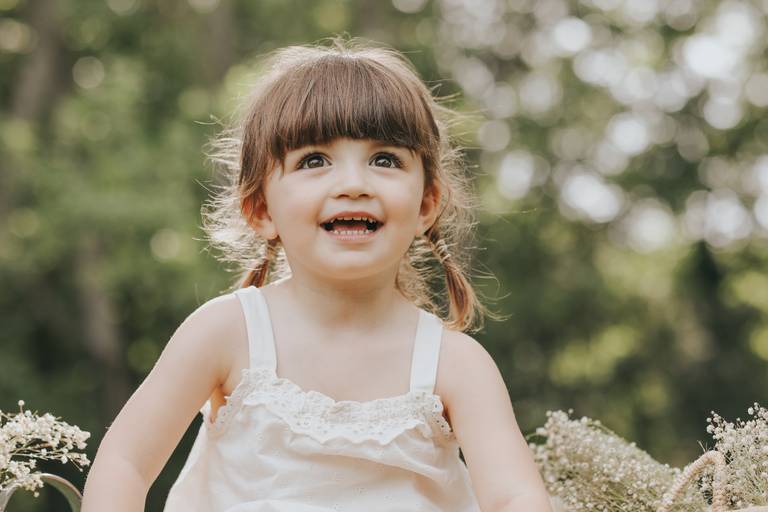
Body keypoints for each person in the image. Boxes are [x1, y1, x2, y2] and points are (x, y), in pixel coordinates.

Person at [80, 36, 553, 512]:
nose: (352, 184)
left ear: (427, 203)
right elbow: (125, 461)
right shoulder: (226, 332)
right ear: (261, 208)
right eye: (314, 161)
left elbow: (515, 496)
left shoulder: (455, 363)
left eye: (384, 160)